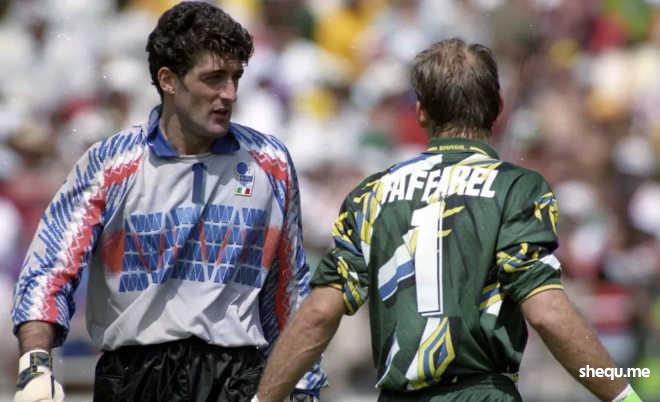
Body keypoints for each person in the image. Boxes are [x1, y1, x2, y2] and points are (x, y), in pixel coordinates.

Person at [252, 38, 643, 402]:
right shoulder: (516, 188)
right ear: (498, 106)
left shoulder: (371, 194)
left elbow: (319, 314)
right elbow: (546, 312)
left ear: (421, 112)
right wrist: (624, 396)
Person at [11, 2, 325, 401]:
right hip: (134, 377)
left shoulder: (270, 162)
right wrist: (35, 365)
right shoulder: (110, 164)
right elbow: (49, 269)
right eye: (214, 78)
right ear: (168, 80)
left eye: (235, 77)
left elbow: (289, 289)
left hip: (236, 377)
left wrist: (304, 388)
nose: (229, 94)